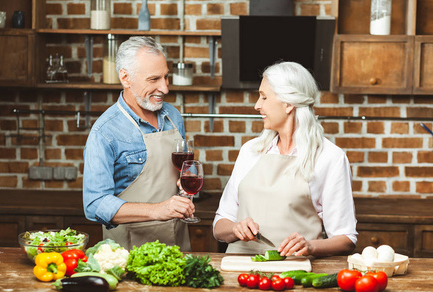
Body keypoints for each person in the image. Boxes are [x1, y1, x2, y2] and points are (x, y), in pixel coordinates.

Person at [213, 61, 357, 257]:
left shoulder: (330, 158)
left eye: (264, 97)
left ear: (289, 104)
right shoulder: (250, 151)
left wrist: (310, 246)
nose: (257, 105)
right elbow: (220, 224)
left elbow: (346, 239)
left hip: (295, 271)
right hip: (240, 268)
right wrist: (235, 228)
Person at [83, 36, 194, 251]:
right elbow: (94, 204)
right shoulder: (104, 132)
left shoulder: (173, 115)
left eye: (166, 77)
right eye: (154, 79)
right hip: (130, 251)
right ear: (126, 78)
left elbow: (181, 174)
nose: (165, 88)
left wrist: (185, 187)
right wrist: (156, 210)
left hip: (177, 245)